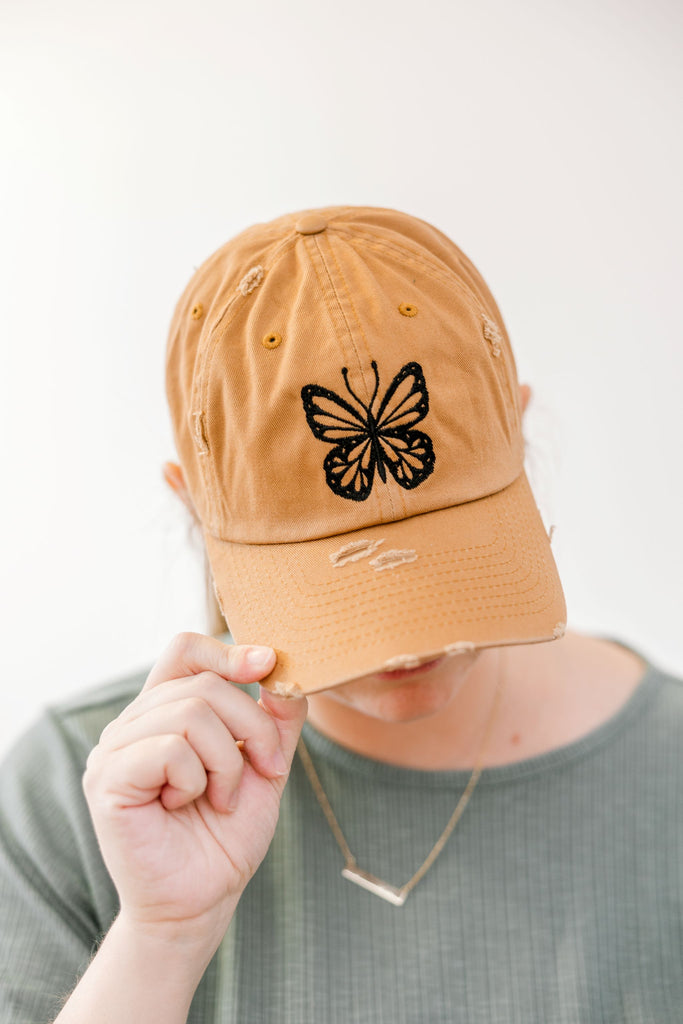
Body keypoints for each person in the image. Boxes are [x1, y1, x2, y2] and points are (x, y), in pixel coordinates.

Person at [0, 205, 681, 1024]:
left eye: (444, 552)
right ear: (192, 506)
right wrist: (161, 942)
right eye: (340, 578)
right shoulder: (81, 800)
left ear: (517, 429)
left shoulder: (664, 767)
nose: (407, 637)